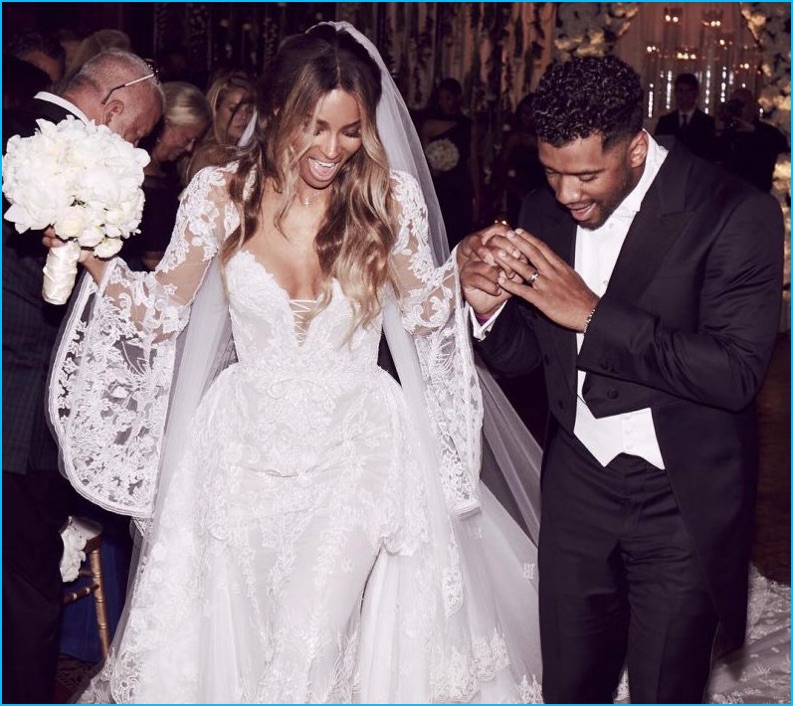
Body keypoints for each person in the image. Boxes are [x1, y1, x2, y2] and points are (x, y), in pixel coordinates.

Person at [46, 23, 544, 703]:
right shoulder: (219, 193)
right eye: (316, 127)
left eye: (350, 131)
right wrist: (93, 254)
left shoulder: (387, 198)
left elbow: (425, 313)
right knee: (248, 634)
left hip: (358, 449)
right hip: (242, 453)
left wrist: (461, 273)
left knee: (311, 640)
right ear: (277, 109)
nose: (332, 150)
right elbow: (162, 312)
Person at [458, 54, 783, 703]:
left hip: (680, 498)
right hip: (576, 487)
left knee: (665, 687)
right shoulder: (541, 210)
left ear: (636, 147)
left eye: (585, 175)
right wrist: (488, 310)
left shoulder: (734, 213)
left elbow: (734, 374)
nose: (565, 194)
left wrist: (592, 314)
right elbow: (529, 359)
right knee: (569, 686)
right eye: (552, 172)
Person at [2, 49, 163, 704]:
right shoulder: (86, 164)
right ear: (114, 106)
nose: (138, 151)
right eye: (138, 134)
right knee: (23, 595)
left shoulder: (10, 126)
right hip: (21, 414)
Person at [124, 81, 212, 272]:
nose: (189, 149)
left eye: (195, 142)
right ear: (166, 123)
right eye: (187, 139)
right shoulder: (151, 184)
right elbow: (154, 261)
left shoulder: (162, 172)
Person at [419, 78, 481, 249]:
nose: (443, 102)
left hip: (460, 186)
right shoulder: (429, 125)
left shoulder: (468, 125)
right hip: (439, 186)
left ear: (458, 97)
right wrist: (431, 169)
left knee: (459, 234)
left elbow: (473, 161)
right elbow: (422, 157)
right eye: (440, 98)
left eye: (448, 98)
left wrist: (477, 195)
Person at [715, 86, 789, 193]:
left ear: (752, 106)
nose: (738, 109)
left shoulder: (764, 131)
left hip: (756, 191)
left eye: (741, 104)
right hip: (729, 192)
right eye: (734, 104)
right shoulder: (727, 130)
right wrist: (718, 131)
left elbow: (781, 144)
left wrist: (753, 130)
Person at [492, 94, 547, 232]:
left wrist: (537, 145)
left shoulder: (546, 139)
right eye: (522, 113)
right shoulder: (514, 138)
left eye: (528, 113)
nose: (524, 117)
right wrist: (515, 190)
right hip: (518, 191)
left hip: (543, 189)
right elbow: (501, 167)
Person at [186, 69, 254, 178]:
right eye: (234, 109)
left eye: (249, 111)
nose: (244, 116)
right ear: (215, 108)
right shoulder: (209, 154)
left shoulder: (242, 150)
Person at [654, 72, 717, 161]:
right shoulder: (665, 122)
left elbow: (709, 155)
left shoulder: (707, 123)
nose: (684, 95)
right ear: (675, 93)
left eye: (688, 91)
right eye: (680, 91)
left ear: (695, 93)